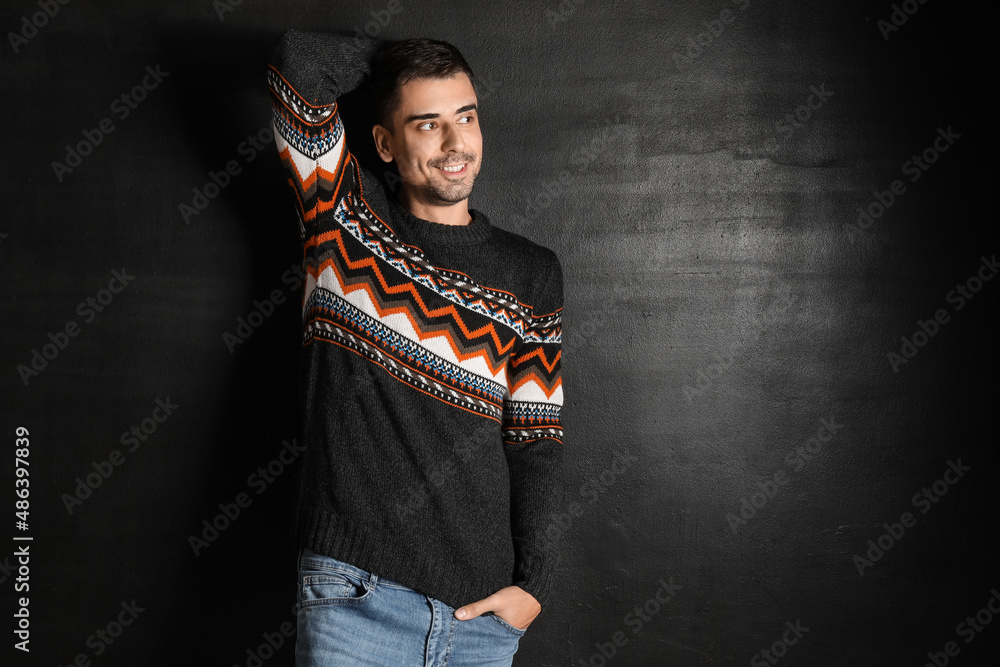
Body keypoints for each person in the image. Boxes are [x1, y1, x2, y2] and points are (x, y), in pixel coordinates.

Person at [266, 28, 566, 666]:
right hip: (357, 596)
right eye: (427, 124)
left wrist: (533, 585)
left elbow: (535, 442)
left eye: (467, 116)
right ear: (383, 142)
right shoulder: (341, 220)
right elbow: (302, 59)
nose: (457, 143)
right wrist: (397, 57)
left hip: (484, 614)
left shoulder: (531, 270)